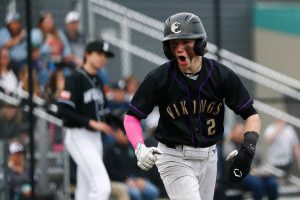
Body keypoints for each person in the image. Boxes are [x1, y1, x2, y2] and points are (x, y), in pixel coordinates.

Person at [123, 12, 261, 200]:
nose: (179, 48)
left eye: (185, 42)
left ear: (199, 43)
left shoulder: (221, 75)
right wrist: (140, 147)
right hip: (174, 157)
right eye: (174, 43)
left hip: (209, 157)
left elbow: (251, 116)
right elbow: (132, 116)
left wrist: (248, 148)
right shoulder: (159, 78)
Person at [57, 40, 115, 200]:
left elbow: (104, 112)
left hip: (95, 138)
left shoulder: (98, 81)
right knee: (102, 188)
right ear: (87, 55)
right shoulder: (75, 78)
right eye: (99, 54)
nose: (103, 58)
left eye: (105, 56)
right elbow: (63, 110)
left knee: (85, 189)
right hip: (79, 135)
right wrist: (91, 123)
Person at [223, 123, 278, 200]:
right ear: (232, 133)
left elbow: (259, 157)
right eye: (239, 132)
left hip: (256, 173)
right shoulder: (229, 145)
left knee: (272, 183)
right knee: (257, 184)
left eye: (243, 132)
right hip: (239, 174)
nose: (242, 134)